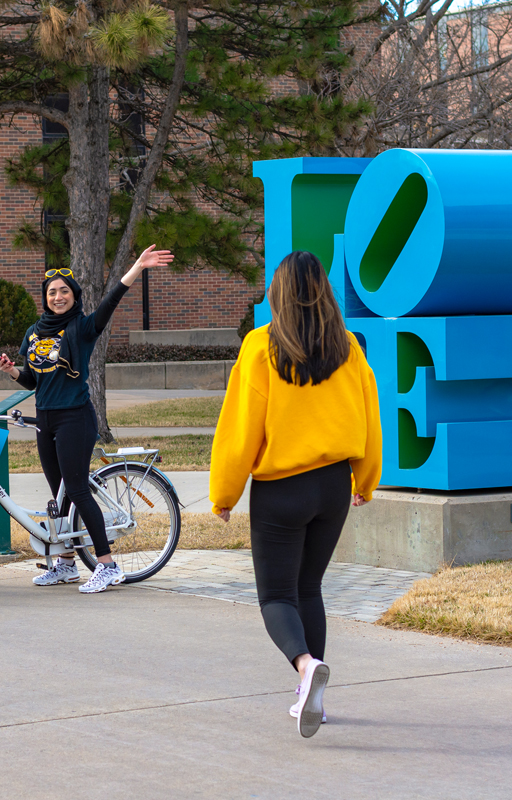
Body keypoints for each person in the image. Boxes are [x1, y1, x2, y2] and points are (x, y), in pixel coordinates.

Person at [209, 251, 381, 738]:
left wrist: (224, 493)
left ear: (276, 294)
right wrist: (366, 479)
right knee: (309, 589)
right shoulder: (348, 346)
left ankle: (306, 667)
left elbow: (241, 427)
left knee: (277, 596)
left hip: (281, 489)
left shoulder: (261, 346)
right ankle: (315, 700)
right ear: (324, 292)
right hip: (333, 486)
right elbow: (369, 413)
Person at [0, 246, 174, 593]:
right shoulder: (34, 332)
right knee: (58, 494)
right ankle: (65, 565)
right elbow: (34, 379)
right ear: (44, 298)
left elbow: (111, 302)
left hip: (75, 417)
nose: (57, 297)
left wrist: (136, 267)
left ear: (74, 296)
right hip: (45, 418)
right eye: (51, 292)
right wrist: (12, 371)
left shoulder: (83, 327)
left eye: (64, 291)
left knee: (76, 489)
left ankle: (107, 565)